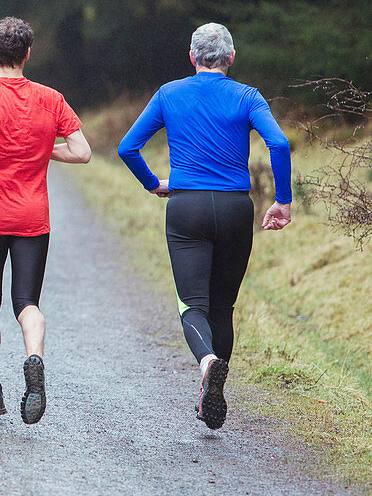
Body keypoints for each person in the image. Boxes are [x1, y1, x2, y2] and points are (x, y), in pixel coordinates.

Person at [118, 22, 291, 430]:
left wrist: (154, 184)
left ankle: (208, 364)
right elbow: (279, 143)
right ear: (231, 58)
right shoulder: (247, 96)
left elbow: (127, 146)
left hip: (186, 207)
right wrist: (282, 201)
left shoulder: (169, 93)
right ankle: (215, 389)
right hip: (234, 208)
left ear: (192, 58)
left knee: (192, 304)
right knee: (223, 306)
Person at [0, 17, 91, 423]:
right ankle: (33, 359)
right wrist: (44, 150)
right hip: (33, 218)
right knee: (27, 303)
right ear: (28, 54)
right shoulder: (51, 98)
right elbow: (81, 152)